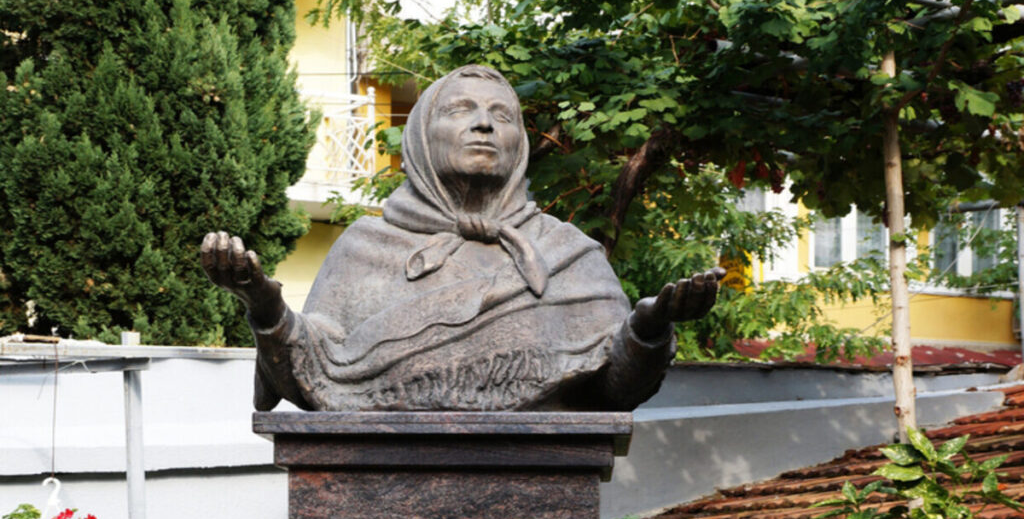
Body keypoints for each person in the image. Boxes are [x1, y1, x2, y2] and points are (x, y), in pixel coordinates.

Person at [202, 65, 723, 412]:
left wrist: (648, 328)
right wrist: (264, 307)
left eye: (502, 116)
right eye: (461, 110)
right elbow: (313, 378)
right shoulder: (364, 247)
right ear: (420, 137)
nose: (484, 125)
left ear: (519, 144)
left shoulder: (570, 256)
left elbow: (613, 392)